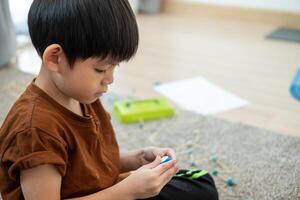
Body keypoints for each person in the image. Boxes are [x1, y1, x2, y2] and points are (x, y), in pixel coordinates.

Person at [0, 0, 218, 199]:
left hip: (103, 190)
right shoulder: (35, 130)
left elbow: (87, 163)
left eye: (115, 67)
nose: (110, 79)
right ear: (55, 59)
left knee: (200, 184)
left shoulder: (80, 93)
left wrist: (137, 158)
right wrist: (129, 190)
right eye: (101, 68)